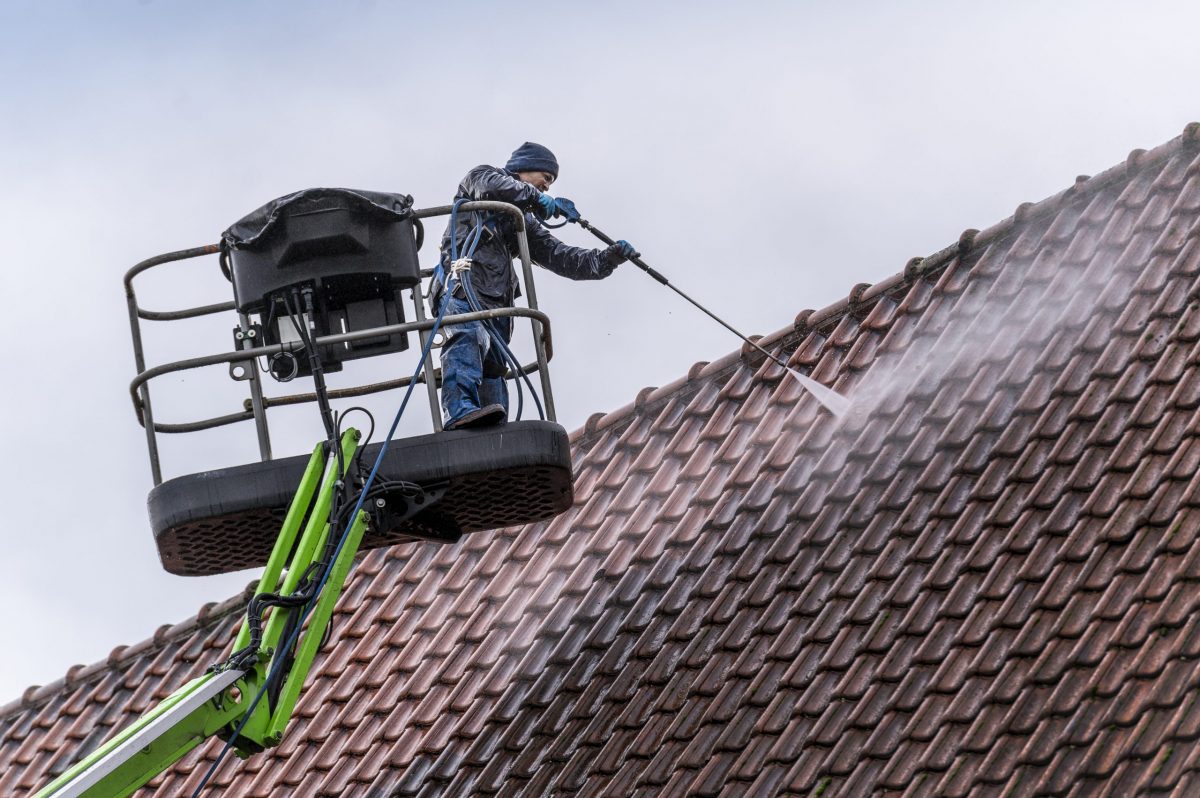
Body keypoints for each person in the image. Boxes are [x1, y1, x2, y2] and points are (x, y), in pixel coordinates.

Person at [432, 142, 638, 430]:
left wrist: (607, 259)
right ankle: (459, 412)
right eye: (546, 177)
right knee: (466, 340)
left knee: (494, 365)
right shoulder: (481, 177)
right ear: (524, 167)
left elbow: (560, 256)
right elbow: (494, 187)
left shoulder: (521, 221)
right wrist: (534, 199)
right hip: (462, 287)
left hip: (496, 301)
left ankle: (492, 423)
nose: (547, 187)